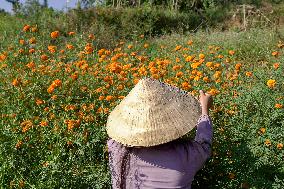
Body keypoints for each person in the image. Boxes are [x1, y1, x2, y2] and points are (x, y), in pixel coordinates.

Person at [106, 78, 213, 189]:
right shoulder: (186, 155)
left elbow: (116, 135)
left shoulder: (116, 149)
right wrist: (204, 110)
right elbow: (204, 145)